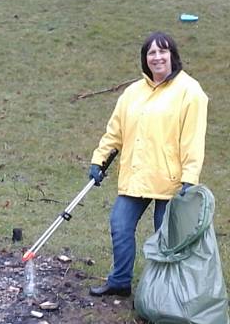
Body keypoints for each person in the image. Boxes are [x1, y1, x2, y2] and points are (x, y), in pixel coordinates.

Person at [87, 31, 208, 298]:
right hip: (136, 175)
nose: (157, 57)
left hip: (172, 180)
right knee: (120, 225)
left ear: (172, 55)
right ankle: (119, 282)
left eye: (162, 51)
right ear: (145, 59)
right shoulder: (133, 93)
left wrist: (190, 177)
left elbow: (193, 139)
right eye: (151, 53)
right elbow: (114, 132)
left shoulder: (190, 92)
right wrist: (99, 159)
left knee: (165, 239)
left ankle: (167, 293)